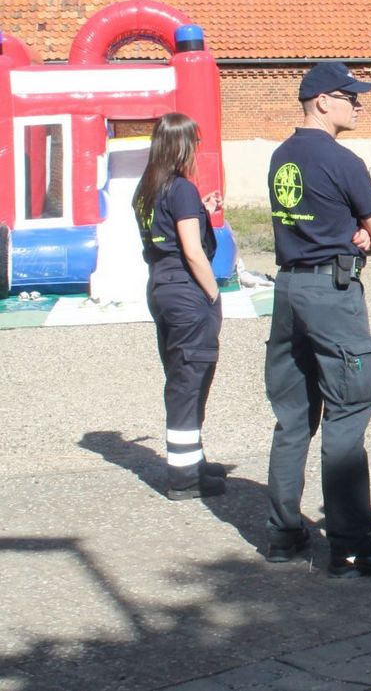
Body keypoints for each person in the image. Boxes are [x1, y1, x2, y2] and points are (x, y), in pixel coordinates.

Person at [263, 61, 371, 579]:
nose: (359, 104)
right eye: (351, 96)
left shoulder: (281, 156)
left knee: (292, 417)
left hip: (288, 288)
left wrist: (351, 232)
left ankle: (283, 533)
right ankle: (351, 545)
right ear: (322, 101)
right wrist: (362, 235)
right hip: (331, 293)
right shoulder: (342, 160)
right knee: (347, 414)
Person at [133, 112, 225, 500]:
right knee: (190, 381)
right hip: (186, 292)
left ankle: (192, 461)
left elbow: (167, 232)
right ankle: (184, 477)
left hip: (160, 286)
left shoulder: (148, 189)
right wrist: (213, 293)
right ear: (184, 146)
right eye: (196, 144)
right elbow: (191, 251)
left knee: (181, 374)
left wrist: (199, 209)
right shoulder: (181, 189)